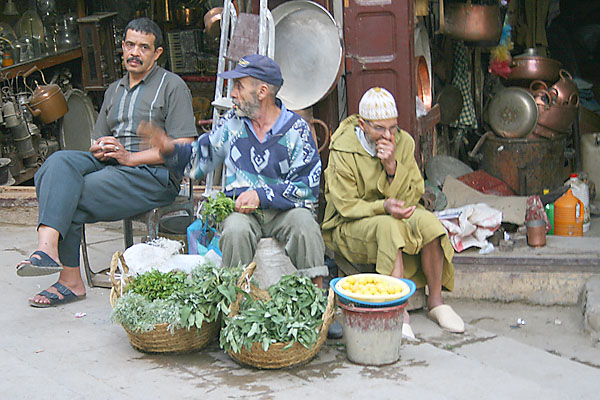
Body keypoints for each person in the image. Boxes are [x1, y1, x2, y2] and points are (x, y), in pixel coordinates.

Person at [16, 18, 198, 307]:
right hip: (113, 166)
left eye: (143, 47)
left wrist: (130, 157)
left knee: (71, 193)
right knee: (56, 164)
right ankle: (46, 249)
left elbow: (184, 145)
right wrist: (102, 149)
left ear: (157, 53)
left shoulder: (172, 86)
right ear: (122, 47)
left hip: (153, 175)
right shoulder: (115, 89)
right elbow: (97, 138)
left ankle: (70, 280)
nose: (134, 52)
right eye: (129, 45)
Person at [140, 54, 328, 286]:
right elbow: (200, 161)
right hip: (242, 213)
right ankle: (236, 304)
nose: (232, 94)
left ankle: (316, 304)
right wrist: (169, 149)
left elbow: (306, 187)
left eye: (239, 86)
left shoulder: (296, 130)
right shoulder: (233, 124)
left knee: (305, 224)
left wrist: (260, 196)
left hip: (284, 213)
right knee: (235, 229)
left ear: (262, 92)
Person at [321, 87, 464, 335]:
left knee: (430, 224)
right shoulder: (343, 149)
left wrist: (391, 168)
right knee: (389, 227)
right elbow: (346, 206)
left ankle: (436, 302)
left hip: (394, 209)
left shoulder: (403, 143)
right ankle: (400, 311)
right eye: (379, 129)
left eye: (393, 128)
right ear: (363, 124)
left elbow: (413, 193)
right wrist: (382, 206)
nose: (388, 135)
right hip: (351, 223)